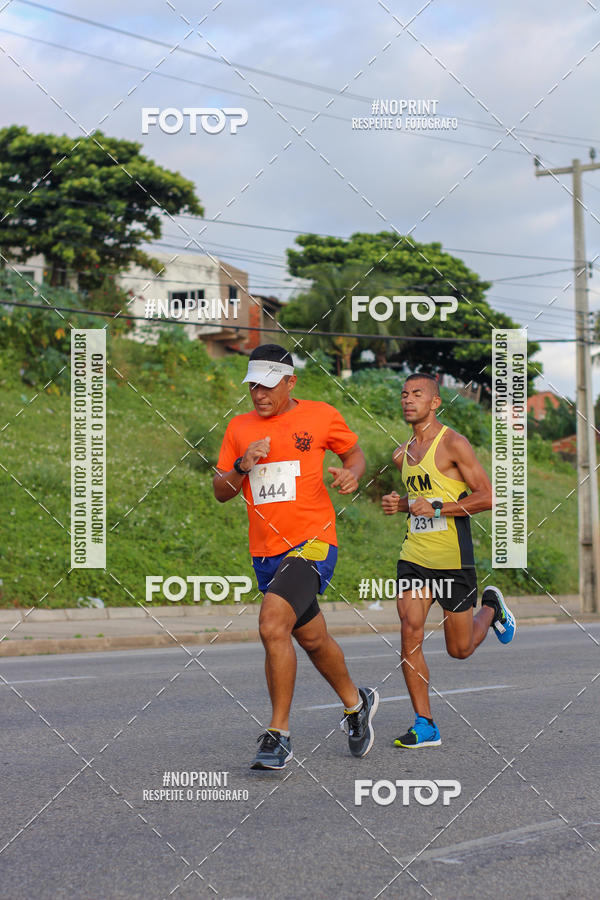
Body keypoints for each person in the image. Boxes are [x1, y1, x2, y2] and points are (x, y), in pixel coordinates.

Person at [213, 344, 379, 769]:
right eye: (253, 386)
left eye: (268, 385)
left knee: (271, 625)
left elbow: (354, 454)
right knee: (311, 638)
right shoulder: (239, 428)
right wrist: (241, 465)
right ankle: (355, 703)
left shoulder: (320, 415)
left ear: (291, 382)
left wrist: (351, 474)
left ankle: (278, 734)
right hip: (266, 553)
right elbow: (220, 492)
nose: (259, 394)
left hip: (313, 542)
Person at [381, 373, 515, 749]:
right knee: (410, 631)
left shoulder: (454, 443)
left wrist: (438, 506)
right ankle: (425, 724)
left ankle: (490, 607)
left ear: (435, 402)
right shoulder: (401, 453)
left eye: (417, 394)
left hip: (454, 560)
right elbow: (418, 502)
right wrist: (400, 504)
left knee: (460, 649)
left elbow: (487, 497)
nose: (408, 400)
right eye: (404, 394)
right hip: (414, 557)